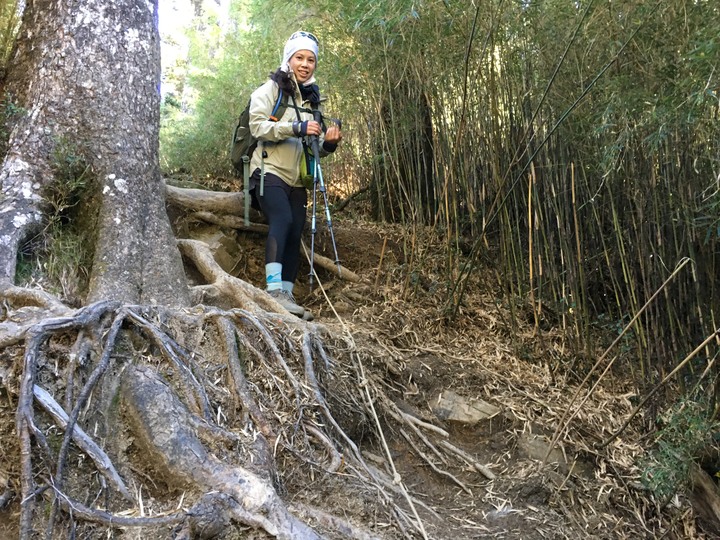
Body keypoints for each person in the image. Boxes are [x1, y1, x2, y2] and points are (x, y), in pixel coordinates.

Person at [247, 31, 342, 320]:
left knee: (296, 227)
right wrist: (295, 128)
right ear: (288, 59)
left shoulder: (312, 102)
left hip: (297, 178)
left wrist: (327, 144)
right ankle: (273, 291)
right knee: (283, 220)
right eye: (299, 57)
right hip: (268, 170)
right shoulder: (271, 90)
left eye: (310, 59)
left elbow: (312, 152)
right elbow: (257, 126)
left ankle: (286, 295)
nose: (305, 64)